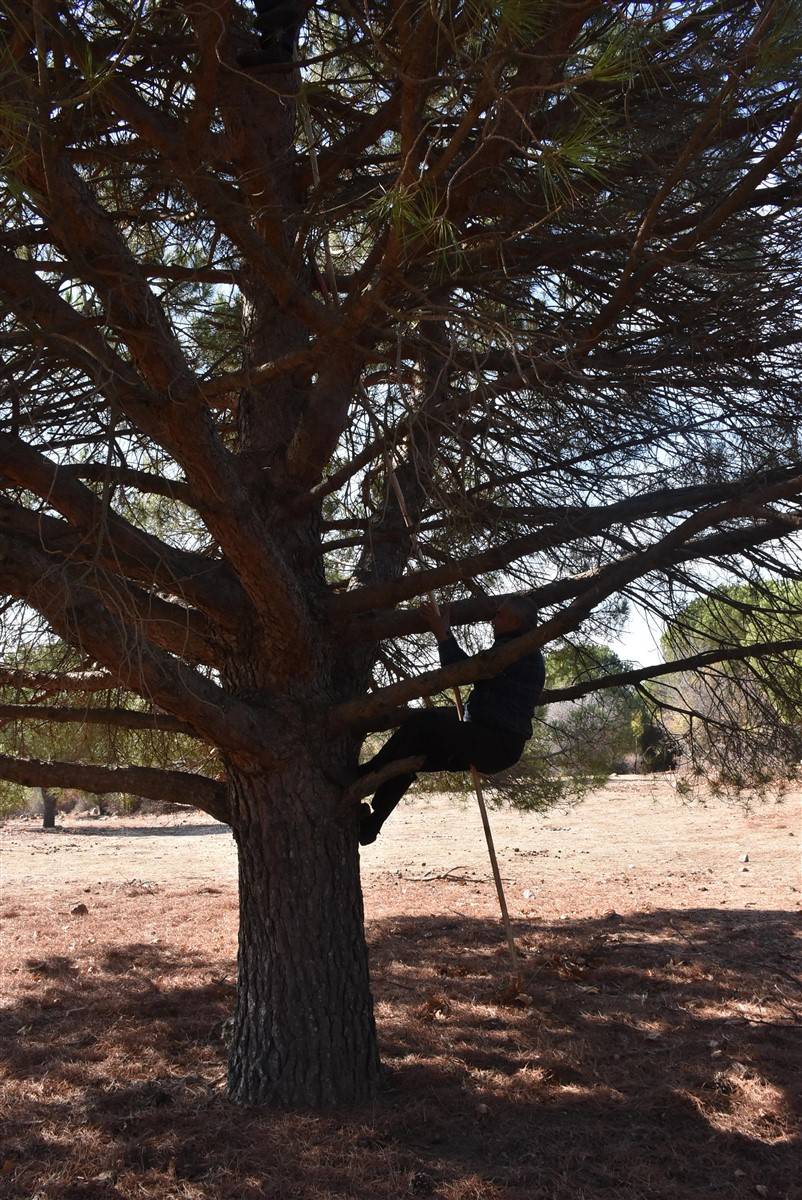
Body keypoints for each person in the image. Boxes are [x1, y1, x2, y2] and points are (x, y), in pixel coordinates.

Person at [357, 595, 546, 845]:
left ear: (515, 621)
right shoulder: (518, 649)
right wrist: (444, 633)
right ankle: (372, 824)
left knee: (422, 724)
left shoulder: (517, 652)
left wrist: (442, 634)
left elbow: (462, 670)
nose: (492, 620)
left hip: (495, 742)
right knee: (409, 753)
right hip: (491, 741)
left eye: (499, 615)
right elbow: (472, 667)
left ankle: (364, 775)